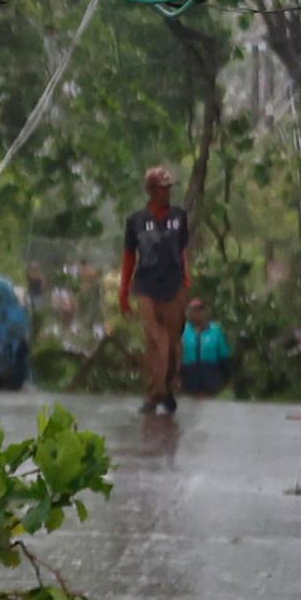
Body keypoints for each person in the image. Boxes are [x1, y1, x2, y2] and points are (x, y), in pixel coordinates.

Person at [117, 166, 194, 418]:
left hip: (173, 286)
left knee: (171, 344)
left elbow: (183, 252)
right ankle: (152, 393)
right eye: (161, 188)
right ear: (150, 190)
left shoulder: (179, 217)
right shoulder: (136, 221)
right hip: (145, 286)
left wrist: (187, 280)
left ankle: (167, 390)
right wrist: (123, 292)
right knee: (155, 338)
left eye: (168, 188)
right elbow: (129, 257)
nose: (166, 193)